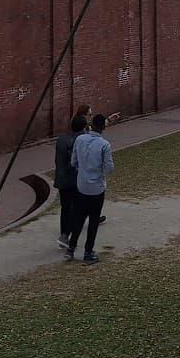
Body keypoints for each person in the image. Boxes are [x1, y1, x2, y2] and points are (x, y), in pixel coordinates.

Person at [67, 113, 114, 264]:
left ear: (91, 125)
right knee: (93, 220)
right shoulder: (104, 145)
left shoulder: (80, 139)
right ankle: (88, 252)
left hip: (81, 185)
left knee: (79, 217)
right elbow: (109, 168)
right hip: (96, 187)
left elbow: (73, 162)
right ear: (103, 127)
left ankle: (71, 248)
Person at [54, 114, 87, 250]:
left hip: (61, 178)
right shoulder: (78, 141)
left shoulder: (61, 139)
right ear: (83, 128)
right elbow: (74, 162)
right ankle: (66, 235)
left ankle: (64, 235)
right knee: (76, 208)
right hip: (73, 179)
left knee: (65, 208)